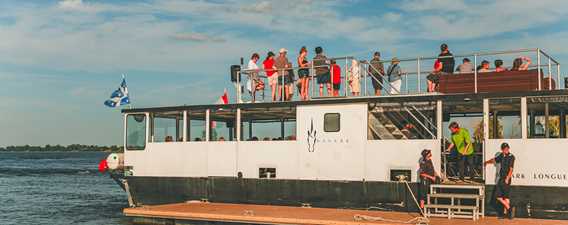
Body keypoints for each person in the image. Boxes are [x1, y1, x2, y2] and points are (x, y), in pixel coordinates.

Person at [484, 142, 515, 219]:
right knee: (504, 197)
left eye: (507, 148)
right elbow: (494, 160)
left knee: (499, 196)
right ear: (502, 150)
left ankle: (509, 210)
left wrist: (507, 178)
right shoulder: (501, 155)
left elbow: (511, 169)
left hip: (506, 179)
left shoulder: (511, 157)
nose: (506, 150)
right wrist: (486, 162)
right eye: (505, 149)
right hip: (501, 178)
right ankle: (508, 212)